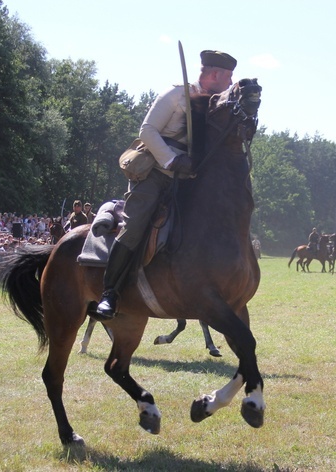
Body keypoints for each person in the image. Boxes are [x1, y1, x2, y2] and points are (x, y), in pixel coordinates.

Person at [95, 49, 237, 320]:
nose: (230, 82)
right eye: (228, 76)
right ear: (215, 74)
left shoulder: (216, 105)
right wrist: (172, 160)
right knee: (134, 228)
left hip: (189, 181)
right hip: (156, 175)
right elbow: (146, 131)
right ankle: (109, 293)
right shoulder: (175, 95)